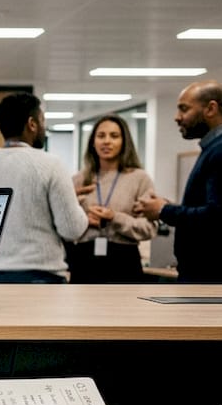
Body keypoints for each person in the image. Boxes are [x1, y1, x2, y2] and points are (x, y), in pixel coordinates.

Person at [134, 81, 222, 282]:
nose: (177, 118)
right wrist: (166, 206)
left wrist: (164, 211)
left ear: (211, 108)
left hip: (218, 276)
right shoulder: (221, 147)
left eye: (184, 109)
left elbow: (218, 219)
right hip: (212, 273)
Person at [0, 92, 88, 283]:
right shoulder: (50, 164)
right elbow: (71, 229)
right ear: (32, 123)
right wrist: (80, 209)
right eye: (42, 121)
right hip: (41, 277)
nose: (43, 128)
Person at [66, 114, 157, 283]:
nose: (106, 141)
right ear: (93, 142)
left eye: (114, 136)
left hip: (124, 260)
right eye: (101, 136)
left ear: (124, 142)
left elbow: (149, 229)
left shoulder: (139, 178)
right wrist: (83, 220)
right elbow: (65, 228)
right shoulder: (78, 180)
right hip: (84, 260)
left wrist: (114, 217)